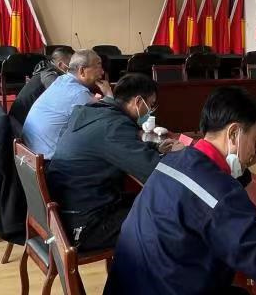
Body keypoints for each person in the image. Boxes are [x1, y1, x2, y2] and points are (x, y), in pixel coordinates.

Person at [104, 86, 256, 295]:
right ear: (234, 133)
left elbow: (204, 197)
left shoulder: (172, 161)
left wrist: (240, 168)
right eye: (255, 137)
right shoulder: (224, 195)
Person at [46, 73, 177, 251]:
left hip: (67, 213)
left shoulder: (90, 112)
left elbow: (116, 148)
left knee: (149, 200)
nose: (151, 111)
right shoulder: (114, 126)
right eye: (151, 104)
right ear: (138, 101)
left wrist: (155, 148)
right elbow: (153, 172)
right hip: (85, 225)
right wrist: (183, 158)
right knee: (169, 219)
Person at [21, 49, 112, 159]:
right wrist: (108, 94)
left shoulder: (61, 80)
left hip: (30, 153)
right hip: (49, 161)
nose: (102, 72)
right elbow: (109, 121)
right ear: (82, 71)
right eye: (98, 66)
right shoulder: (79, 94)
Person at [9, 46, 74, 125]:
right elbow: (64, 97)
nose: (74, 69)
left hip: (27, 119)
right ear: (60, 65)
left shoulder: (48, 67)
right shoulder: (49, 75)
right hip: (21, 124)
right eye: (72, 66)